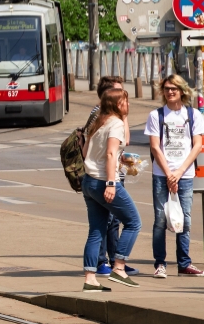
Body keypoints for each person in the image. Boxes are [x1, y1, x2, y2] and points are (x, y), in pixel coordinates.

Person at [80, 88, 141, 291]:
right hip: (103, 182)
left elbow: (85, 150)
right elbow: (109, 154)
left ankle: (90, 278)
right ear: (117, 104)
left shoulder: (99, 121)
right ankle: (119, 267)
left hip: (89, 181)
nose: (129, 104)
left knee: (96, 230)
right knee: (133, 222)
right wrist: (111, 183)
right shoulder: (115, 124)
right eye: (125, 101)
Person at [145, 74, 204, 278]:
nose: (170, 91)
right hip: (162, 174)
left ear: (182, 91)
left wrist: (179, 173)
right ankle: (160, 263)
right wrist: (169, 173)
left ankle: (184, 263)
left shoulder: (194, 114)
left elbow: (197, 145)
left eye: (174, 88)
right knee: (161, 219)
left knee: (184, 220)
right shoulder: (156, 115)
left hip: (185, 175)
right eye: (167, 88)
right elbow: (155, 147)